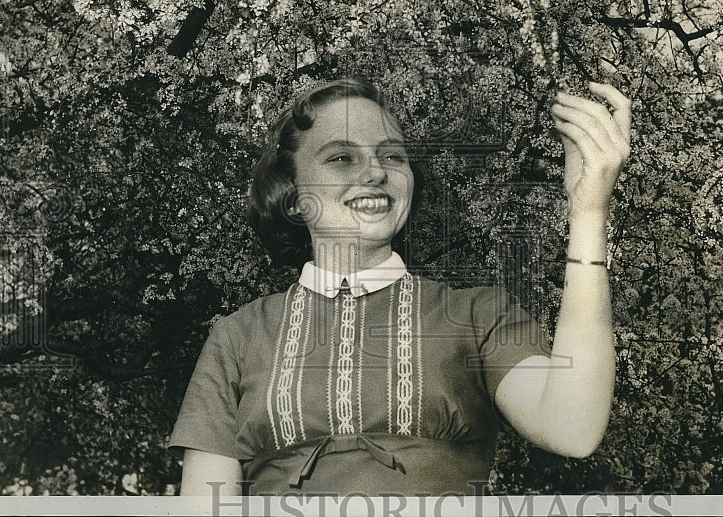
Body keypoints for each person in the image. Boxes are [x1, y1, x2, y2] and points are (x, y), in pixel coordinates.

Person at [168, 76, 631, 497]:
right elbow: (205, 508)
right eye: (341, 157)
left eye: (392, 155)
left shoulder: (477, 316)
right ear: (292, 194)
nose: (375, 172)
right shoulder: (236, 337)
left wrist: (589, 211)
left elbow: (573, 427)